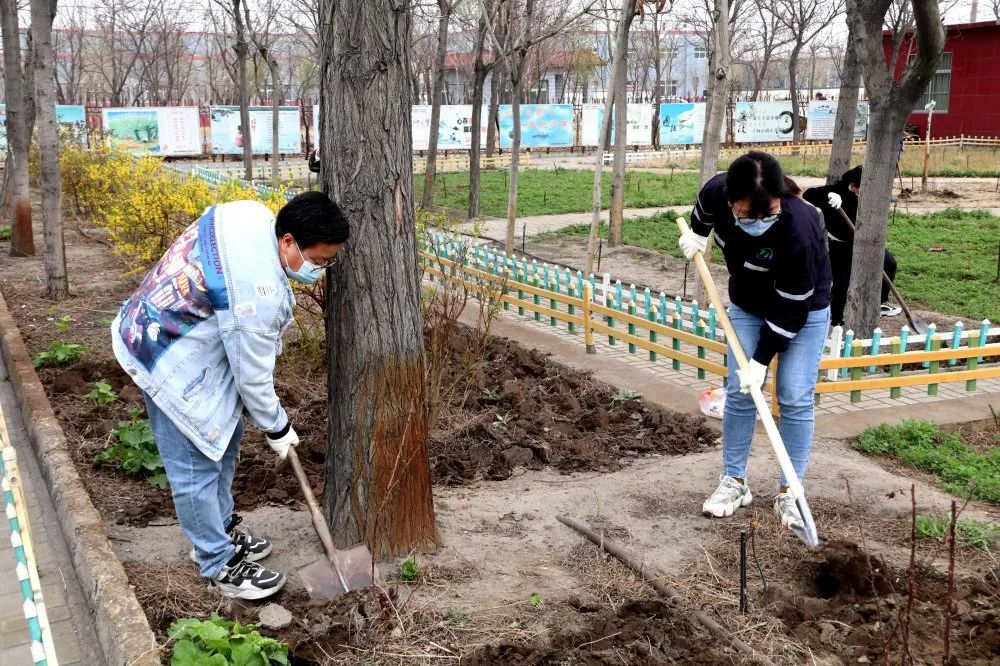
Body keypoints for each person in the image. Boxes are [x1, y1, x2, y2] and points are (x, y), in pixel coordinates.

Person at [111, 192, 349, 600]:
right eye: (320, 260)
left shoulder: (252, 215)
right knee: (195, 466)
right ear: (288, 241)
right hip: (165, 358)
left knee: (224, 443)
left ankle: (219, 529)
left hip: (183, 333)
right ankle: (218, 563)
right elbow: (253, 379)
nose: (321, 270)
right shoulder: (256, 296)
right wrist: (278, 427)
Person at [679, 151, 832, 532]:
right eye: (750, 214)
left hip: (802, 309)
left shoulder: (801, 229)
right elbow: (702, 214)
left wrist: (761, 360)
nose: (761, 221)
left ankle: (790, 492)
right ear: (732, 203)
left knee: (794, 394)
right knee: (741, 391)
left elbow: (791, 310)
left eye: (770, 212)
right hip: (748, 305)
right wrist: (696, 237)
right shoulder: (719, 192)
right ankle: (734, 482)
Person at [802, 165, 901, 326]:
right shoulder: (837, 190)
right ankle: (836, 319)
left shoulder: (871, 195)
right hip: (840, 245)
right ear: (854, 184)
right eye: (863, 186)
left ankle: (881, 302)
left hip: (865, 243)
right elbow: (808, 194)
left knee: (889, 263)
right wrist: (829, 197)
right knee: (842, 283)